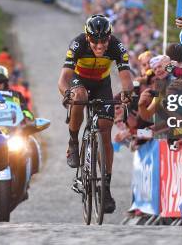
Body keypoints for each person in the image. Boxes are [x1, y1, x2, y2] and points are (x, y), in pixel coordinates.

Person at [58, 14, 133, 214]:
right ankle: (73, 141)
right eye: (95, 41)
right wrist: (67, 93)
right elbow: (64, 78)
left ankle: (106, 188)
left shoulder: (117, 46)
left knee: (105, 129)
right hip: (79, 81)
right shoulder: (78, 44)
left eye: (104, 41)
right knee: (79, 96)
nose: (99, 46)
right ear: (87, 37)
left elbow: (126, 77)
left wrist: (127, 93)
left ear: (110, 38)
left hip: (102, 85)